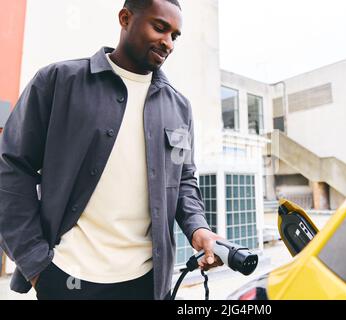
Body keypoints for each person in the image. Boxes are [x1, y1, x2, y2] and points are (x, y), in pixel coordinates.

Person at [0, 0, 222, 300]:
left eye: (175, 36)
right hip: (67, 277)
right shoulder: (58, 81)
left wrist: (199, 229)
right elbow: (11, 167)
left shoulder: (178, 107)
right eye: (160, 28)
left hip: (149, 283)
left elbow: (183, 181)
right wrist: (36, 264)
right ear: (125, 18)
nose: (168, 42)